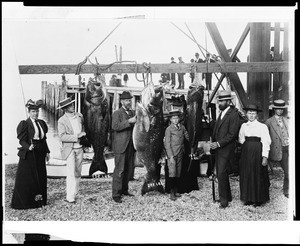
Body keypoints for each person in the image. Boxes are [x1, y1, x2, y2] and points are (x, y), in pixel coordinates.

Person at [11, 99, 50, 209]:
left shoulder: (41, 123)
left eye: (37, 111)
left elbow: (44, 139)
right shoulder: (24, 124)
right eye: (33, 112)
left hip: (40, 152)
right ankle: (27, 202)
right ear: (29, 112)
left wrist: (47, 152)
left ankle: (40, 201)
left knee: (40, 176)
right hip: (29, 154)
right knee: (29, 177)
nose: (35, 113)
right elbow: (21, 141)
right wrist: (28, 147)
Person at [210, 90, 240, 208]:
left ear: (228, 101)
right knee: (223, 173)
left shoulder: (233, 114)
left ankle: (224, 201)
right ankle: (228, 196)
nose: (219, 103)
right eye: (219, 101)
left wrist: (218, 143)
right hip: (219, 148)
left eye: (222, 101)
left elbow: (232, 134)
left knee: (221, 173)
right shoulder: (222, 113)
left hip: (226, 148)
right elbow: (218, 129)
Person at [238, 104, 271, 206]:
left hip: (258, 151)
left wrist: (265, 157)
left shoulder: (262, 126)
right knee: (247, 173)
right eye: (249, 113)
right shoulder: (244, 126)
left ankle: (258, 199)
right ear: (246, 114)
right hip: (246, 152)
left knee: (257, 174)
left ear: (256, 114)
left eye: (253, 113)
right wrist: (247, 147)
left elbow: (266, 142)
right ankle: (248, 198)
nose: (251, 115)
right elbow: (241, 139)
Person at [57, 97, 86, 203]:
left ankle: (75, 192)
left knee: (78, 172)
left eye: (72, 104)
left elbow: (83, 128)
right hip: (70, 150)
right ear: (65, 109)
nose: (73, 106)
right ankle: (70, 196)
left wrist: (84, 137)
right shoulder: (61, 121)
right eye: (70, 105)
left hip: (80, 148)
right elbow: (62, 137)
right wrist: (77, 136)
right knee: (71, 173)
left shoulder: (79, 116)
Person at [111, 91, 136, 203]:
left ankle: (124, 190)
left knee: (128, 169)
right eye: (126, 100)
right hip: (120, 146)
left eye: (130, 100)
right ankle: (116, 194)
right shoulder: (117, 113)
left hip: (131, 145)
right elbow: (115, 126)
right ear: (121, 101)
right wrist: (129, 121)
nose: (128, 102)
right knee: (119, 170)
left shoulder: (133, 112)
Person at [265, 99, 289, 198]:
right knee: (265, 171)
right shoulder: (269, 122)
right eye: (277, 109)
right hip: (275, 149)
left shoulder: (287, 120)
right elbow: (265, 137)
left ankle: (287, 190)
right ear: (274, 109)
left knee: (288, 170)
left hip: (286, 148)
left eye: (281, 109)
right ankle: (265, 190)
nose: (279, 111)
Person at [164, 110, 189, 201]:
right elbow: (167, 144)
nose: (175, 120)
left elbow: (187, 136)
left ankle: (176, 190)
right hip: (172, 154)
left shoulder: (182, 127)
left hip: (180, 152)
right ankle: (171, 192)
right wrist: (170, 156)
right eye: (173, 118)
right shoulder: (169, 129)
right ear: (170, 120)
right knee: (172, 172)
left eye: (177, 118)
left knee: (178, 172)